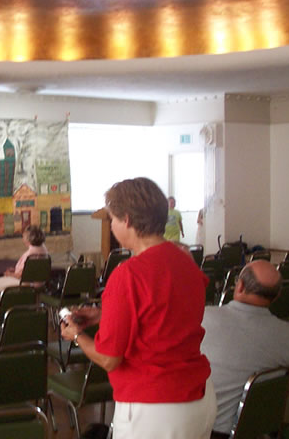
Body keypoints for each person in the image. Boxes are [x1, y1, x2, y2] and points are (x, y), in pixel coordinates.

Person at [61, 177, 216, 439]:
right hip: (198, 397)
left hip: (154, 406)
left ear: (127, 220)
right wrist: (105, 314)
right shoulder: (185, 261)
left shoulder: (128, 274)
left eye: (112, 219)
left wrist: (76, 335)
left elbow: (109, 359)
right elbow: (166, 311)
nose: (112, 226)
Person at [201, 260, 289, 437]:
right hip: (240, 431)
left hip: (191, 426)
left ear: (239, 286)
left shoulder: (201, 318)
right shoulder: (285, 335)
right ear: (276, 296)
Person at [0, 225, 48, 318]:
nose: (23, 238)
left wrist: (10, 274)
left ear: (28, 239)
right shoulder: (43, 249)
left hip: (26, 282)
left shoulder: (31, 254)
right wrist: (15, 270)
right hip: (39, 282)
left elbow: (23, 275)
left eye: (23, 236)